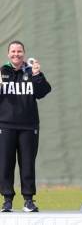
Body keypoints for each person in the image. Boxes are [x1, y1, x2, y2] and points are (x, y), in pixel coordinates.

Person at [0, 40, 51, 212]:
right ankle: (7, 200)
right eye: (13, 51)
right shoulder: (2, 72)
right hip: (5, 125)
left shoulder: (31, 71)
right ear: (8, 54)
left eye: (19, 51)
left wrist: (37, 75)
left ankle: (28, 200)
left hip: (29, 126)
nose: (16, 54)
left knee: (27, 163)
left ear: (24, 53)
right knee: (5, 163)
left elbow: (43, 92)